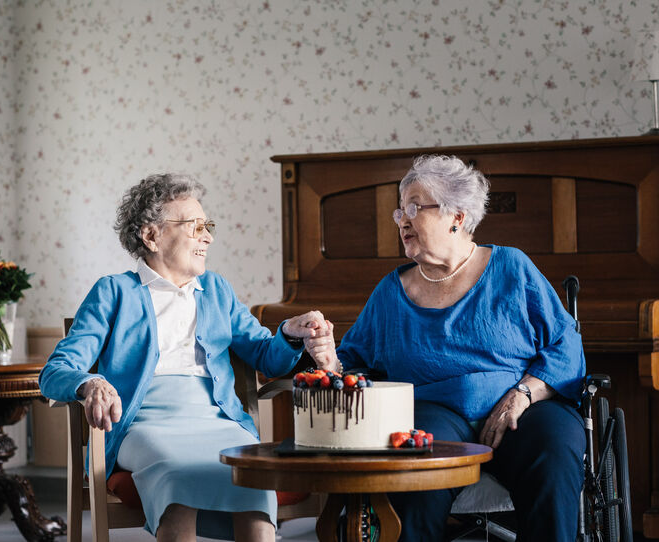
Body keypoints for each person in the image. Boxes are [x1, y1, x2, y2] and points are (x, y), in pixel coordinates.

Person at [304, 155, 586, 542]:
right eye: (400, 210)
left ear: (456, 216)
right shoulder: (391, 291)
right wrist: (328, 359)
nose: (403, 219)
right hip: (434, 414)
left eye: (415, 207)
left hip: (522, 406)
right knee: (414, 459)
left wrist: (523, 394)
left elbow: (565, 343)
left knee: (554, 449)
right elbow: (353, 366)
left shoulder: (511, 268)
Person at [39, 173, 330, 542]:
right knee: (179, 474)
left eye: (207, 226)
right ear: (151, 236)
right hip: (143, 425)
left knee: (252, 479)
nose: (207, 237)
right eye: (195, 227)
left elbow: (266, 356)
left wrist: (290, 333)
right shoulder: (113, 292)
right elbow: (56, 370)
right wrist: (90, 383)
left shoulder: (217, 290)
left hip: (218, 421)